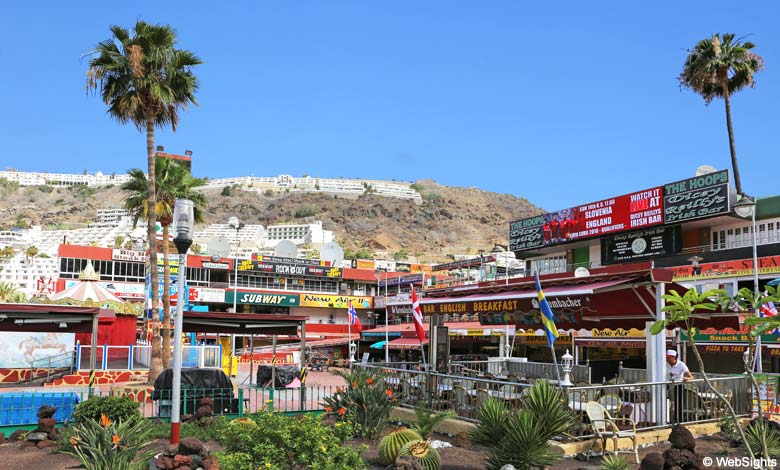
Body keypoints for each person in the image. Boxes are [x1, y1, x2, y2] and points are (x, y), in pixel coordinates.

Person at [666, 349, 693, 423]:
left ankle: (678, 420)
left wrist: (687, 378)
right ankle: (667, 419)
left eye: (668, 357)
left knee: (679, 404)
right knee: (666, 402)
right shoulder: (665, 364)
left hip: (678, 385)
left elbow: (691, 376)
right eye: (666, 357)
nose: (667, 359)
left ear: (674, 357)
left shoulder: (681, 365)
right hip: (667, 385)